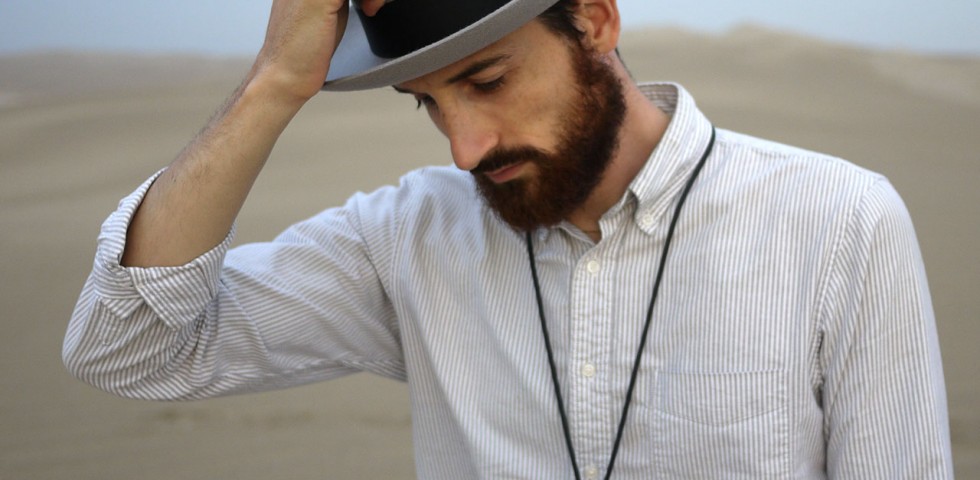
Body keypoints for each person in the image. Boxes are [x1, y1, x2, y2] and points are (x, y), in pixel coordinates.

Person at [63, 0, 953, 477]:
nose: (464, 148)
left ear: (594, 21)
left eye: (487, 80)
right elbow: (126, 345)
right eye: (427, 103)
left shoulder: (836, 220)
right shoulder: (407, 239)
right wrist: (271, 86)